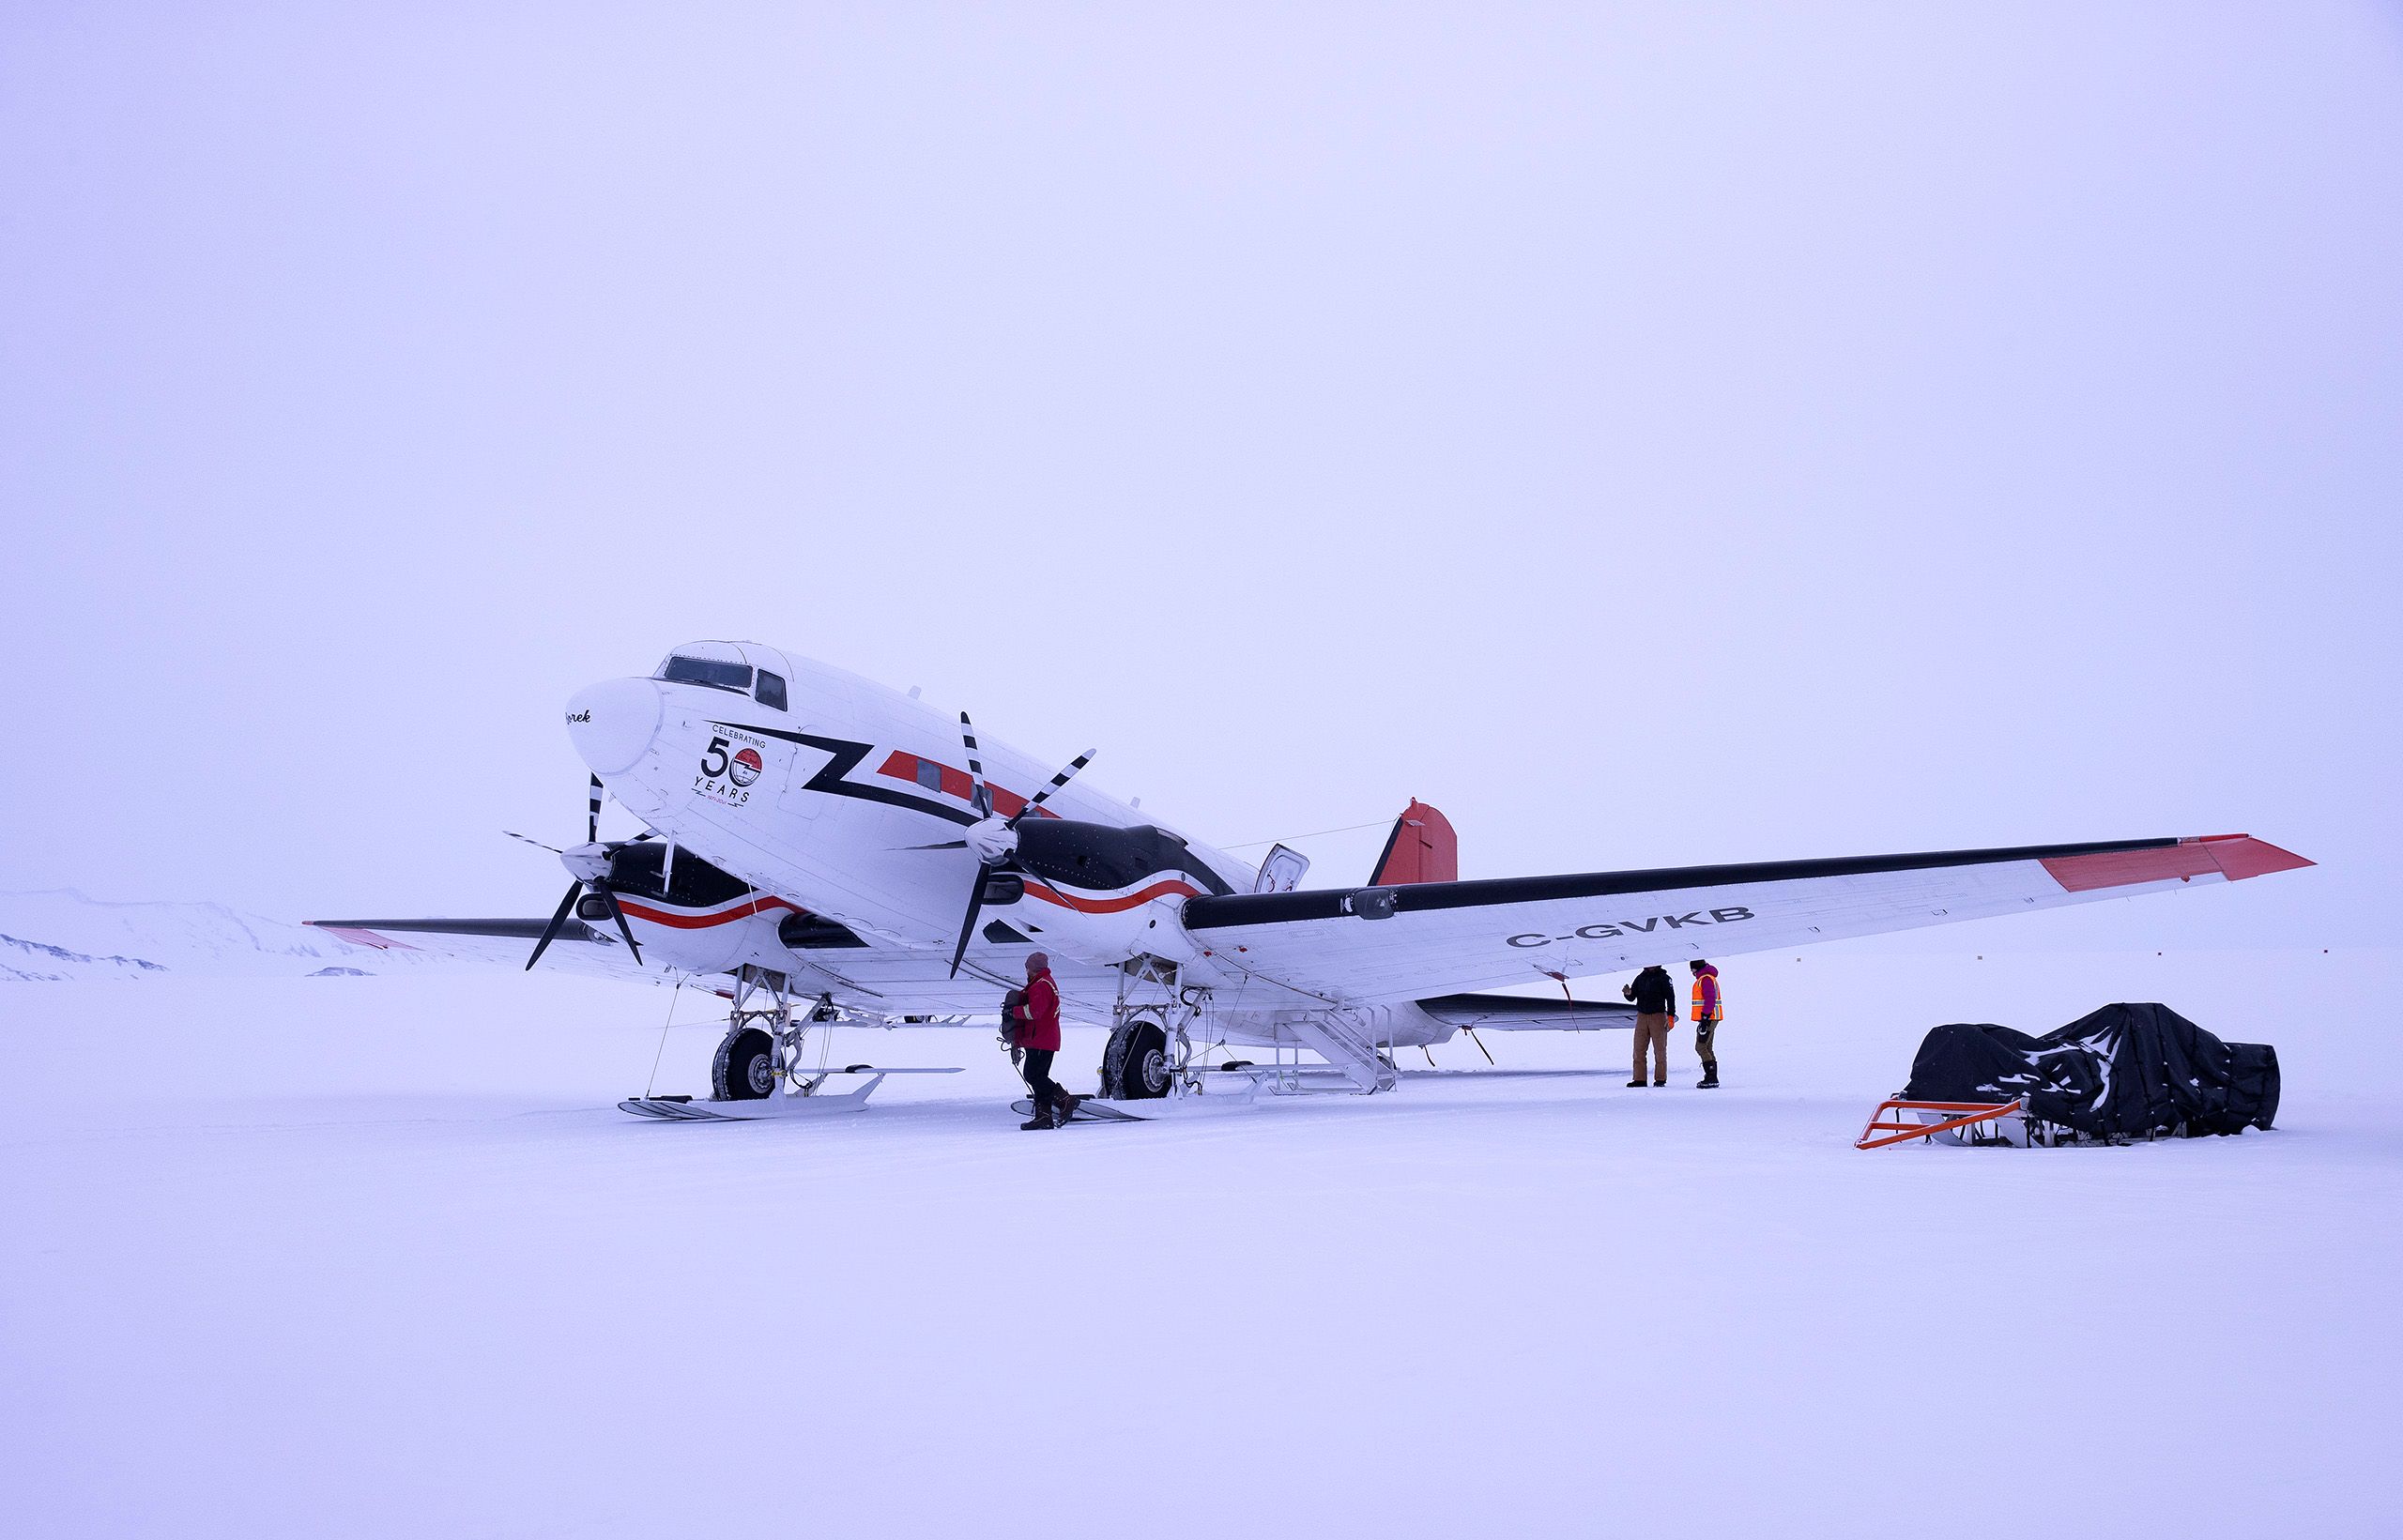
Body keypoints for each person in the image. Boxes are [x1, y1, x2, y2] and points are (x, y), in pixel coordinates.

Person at [1007, 952, 1077, 1130]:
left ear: (1033, 968)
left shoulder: (1040, 985)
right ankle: (1044, 1117)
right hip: (1042, 1039)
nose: (1026, 971)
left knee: (1033, 1075)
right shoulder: (1044, 983)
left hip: (1041, 1039)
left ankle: (1065, 1100)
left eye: (1027, 967)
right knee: (1039, 1077)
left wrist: (1013, 1012)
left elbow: (1035, 1012)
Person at [1621, 963, 1676, 1088]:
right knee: (1638, 1049)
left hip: (1658, 1016)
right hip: (1642, 1016)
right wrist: (1628, 993)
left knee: (1660, 1050)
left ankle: (1660, 1079)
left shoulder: (1664, 978)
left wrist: (1671, 1016)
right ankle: (1639, 1079)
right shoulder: (1640, 978)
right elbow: (1632, 997)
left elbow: (1671, 998)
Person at [1689, 959, 1723, 1089]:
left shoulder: (1706, 979)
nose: (1691, 972)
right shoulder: (1707, 978)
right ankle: (1712, 1076)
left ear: (1696, 968)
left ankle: (1711, 1076)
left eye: (1692, 969)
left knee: (1700, 1046)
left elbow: (1710, 999)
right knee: (1707, 1047)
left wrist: (1704, 1018)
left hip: (1708, 1018)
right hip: (1711, 1017)